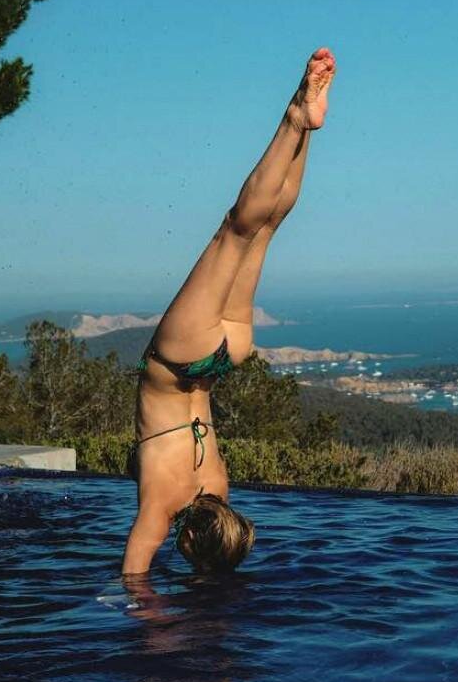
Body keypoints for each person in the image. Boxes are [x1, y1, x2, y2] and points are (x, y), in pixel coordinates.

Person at [121, 47, 337, 576]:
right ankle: (296, 121)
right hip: (179, 362)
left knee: (265, 227)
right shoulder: (160, 510)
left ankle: (306, 123)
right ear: (193, 541)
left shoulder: (219, 490)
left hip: (226, 355)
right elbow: (132, 579)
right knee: (236, 229)